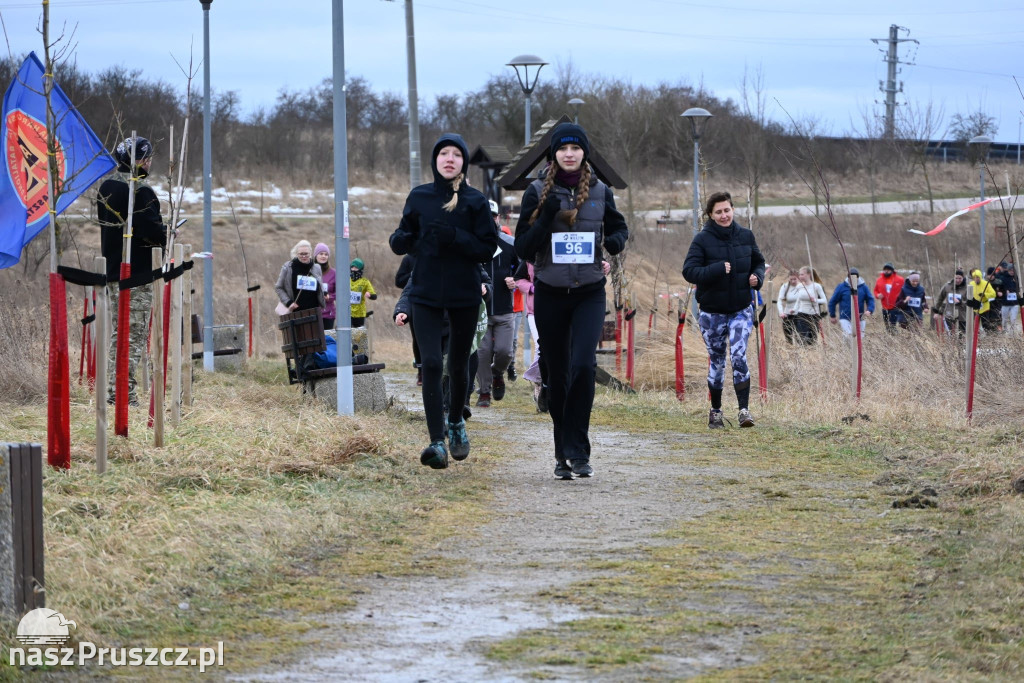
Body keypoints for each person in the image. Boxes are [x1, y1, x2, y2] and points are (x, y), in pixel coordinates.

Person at [515, 122, 629, 479]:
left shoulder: (600, 191)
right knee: (558, 375)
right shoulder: (536, 191)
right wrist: (546, 217)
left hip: (589, 293)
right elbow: (522, 246)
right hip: (549, 292)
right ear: (554, 154)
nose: (569, 153)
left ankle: (579, 450)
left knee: (582, 367)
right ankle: (561, 451)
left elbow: (619, 227)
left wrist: (615, 242)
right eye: (562, 148)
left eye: (575, 148)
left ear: (584, 153)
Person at [389, 133, 497, 470]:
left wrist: (455, 236)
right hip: (425, 293)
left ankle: (455, 422)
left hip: (464, 293)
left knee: (458, 364)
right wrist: (403, 239)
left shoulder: (475, 201)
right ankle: (436, 441)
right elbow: (401, 239)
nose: (449, 159)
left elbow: (487, 247)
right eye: (443, 154)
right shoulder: (419, 197)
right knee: (432, 364)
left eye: (456, 154)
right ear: (435, 161)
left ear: (463, 162)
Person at [682, 191, 765, 430]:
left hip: (740, 308)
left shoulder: (746, 236)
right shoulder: (702, 240)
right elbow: (689, 272)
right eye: (718, 212)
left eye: (727, 210)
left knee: (738, 355)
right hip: (711, 312)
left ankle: (743, 411)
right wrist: (717, 269)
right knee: (717, 362)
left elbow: (759, 262)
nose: (724, 215)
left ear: (733, 210)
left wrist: (757, 277)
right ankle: (716, 411)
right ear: (710, 214)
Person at [97, 136, 169, 406]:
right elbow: (151, 231)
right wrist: (167, 233)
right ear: (139, 161)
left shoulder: (106, 186)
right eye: (147, 159)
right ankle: (122, 394)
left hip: (113, 268)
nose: (149, 164)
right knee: (133, 333)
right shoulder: (140, 191)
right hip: (137, 272)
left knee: (120, 331)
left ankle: (115, 390)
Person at [475, 216, 519, 407]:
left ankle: (497, 373)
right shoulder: (473, 244)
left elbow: (523, 271)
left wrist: (515, 280)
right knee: (483, 352)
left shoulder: (510, 244)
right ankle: (484, 393)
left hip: (504, 309)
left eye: (493, 216)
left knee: (505, 352)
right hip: (480, 310)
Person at [274, 240, 324, 314]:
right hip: (294, 312)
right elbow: (278, 287)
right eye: (301, 254)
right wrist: (288, 302)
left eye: (306, 253)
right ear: (297, 254)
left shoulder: (316, 268)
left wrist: (324, 293)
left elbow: (320, 286)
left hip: (314, 311)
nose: (304, 256)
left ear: (310, 253)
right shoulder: (288, 267)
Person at [778, 266, 826, 345]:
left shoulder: (816, 286)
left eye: (802, 274)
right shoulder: (799, 286)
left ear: (809, 275)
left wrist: (815, 300)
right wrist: (794, 309)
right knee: (802, 338)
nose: (800, 276)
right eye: (799, 275)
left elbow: (824, 300)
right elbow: (798, 300)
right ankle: (802, 354)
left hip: (814, 315)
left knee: (812, 339)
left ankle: (811, 355)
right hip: (801, 314)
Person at [395, 254, 422, 384]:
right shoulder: (409, 258)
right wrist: (413, 275)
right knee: (418, 338)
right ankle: (421, 370)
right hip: (413, 302)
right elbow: (398, 280)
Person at [827, 268, 875, 337]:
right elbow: (832, 301)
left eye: (855, 278)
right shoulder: (841, 287)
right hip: (845, 317)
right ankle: (846, 347)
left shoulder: (864, 287)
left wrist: (869, 310)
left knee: (860, 338)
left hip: (860, 318)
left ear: (858, 278)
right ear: (848, 277)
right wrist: (832, 315)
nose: (852, 280)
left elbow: (870, 300)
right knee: (848, 336)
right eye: (850, 277)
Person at [932, 269, 967, 337]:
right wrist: (936, 310)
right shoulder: (947, 286)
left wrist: (961, 302)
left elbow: (969, 302)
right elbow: (940, 298)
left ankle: (960, 346)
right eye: (956, 278)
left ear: (963, 278)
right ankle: (951, 346)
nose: (958, 280)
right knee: (950, 334)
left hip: (962, 314)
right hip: (949, 313)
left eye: (960, 278)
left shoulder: (967, 288)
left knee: (961, 334)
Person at [873, 262, 905, 333]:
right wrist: (878, 295)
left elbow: (905, 290)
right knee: (887, 326)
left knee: (892, 325)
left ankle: (895, 338)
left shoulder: (900, 280)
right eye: (885, 269)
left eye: (888, 269)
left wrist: (902, 299)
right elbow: (875, 290)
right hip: (884, 307)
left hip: (895, 307)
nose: (886, 271)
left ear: (892, 270)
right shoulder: (879, 280)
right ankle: (891, 340)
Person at [348, 258, 377, 328]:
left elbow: (374, 296)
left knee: (358, 337)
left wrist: (369, 295)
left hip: (360, 313)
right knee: (347, 335)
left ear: (360, 270)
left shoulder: (365, 282)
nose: (354, 269)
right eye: (352, 267)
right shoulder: (346, 280)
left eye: (356, 268)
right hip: (347, 313)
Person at [966, 268, 998, 332]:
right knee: (974, 325)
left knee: (985, 325)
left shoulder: (986, 283)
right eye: (974, 277)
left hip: (984, 307)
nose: (976, 279)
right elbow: (968, 294)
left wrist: (985, 295)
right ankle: (975, 337)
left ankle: (989, 335)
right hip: (975, 307)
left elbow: (993, 294)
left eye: (977, 277)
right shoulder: (971, 284)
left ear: (980, 277)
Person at [314, 243, 336, 330]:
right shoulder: (310, 271)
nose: (323, 256)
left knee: (327, 341)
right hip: (313, 313)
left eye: (326, 254)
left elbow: (340, 292)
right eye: (321, 254)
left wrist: (329, 297)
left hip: (328, 314)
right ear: (316, 255)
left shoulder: (333, 273)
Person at [994, 262, 1020, 334]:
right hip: (1005, 303)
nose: (1012, 272)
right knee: (1004, 319)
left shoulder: (1016, 278)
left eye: (1013, 270)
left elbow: (1018, 288)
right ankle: (1004, 331)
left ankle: (1012, 334)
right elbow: (999, 289)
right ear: (1008, 270)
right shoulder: (1002, 278)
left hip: (1014, 302)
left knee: (1013, 319)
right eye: (1010, 270)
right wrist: (1005, 291)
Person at [776, 270, 800, 344]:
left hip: (800, 315)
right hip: (787, 315)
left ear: (798, 278)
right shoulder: (785, 287)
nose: (793, 281)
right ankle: (790, 351)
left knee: (799, 337)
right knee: (788, 337)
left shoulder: (802, 287)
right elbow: (779, 301)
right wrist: (781, 312)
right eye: (791, 279)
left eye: (795, 279)